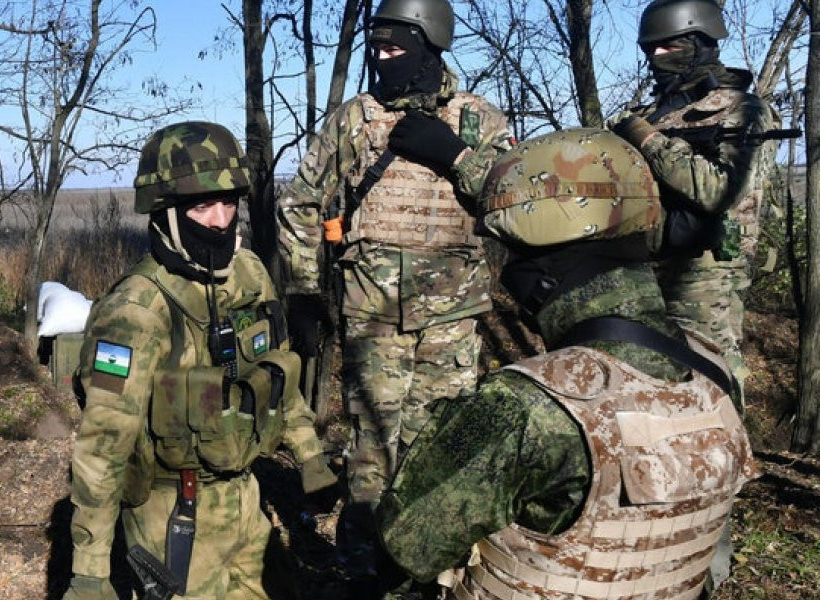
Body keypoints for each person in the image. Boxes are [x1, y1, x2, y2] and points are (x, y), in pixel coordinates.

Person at [377, 128, 759, 599]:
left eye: (509, 254)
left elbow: (405, 548)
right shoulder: (714, 376)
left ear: (538, 270)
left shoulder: (523, 408)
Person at [276, 0, 513, 585]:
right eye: (376, 48)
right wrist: (304, 289)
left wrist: (455, 156)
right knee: (371, 450)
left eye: (396, 47)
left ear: (430, 45)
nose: (383, 58)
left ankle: (432, 572)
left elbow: (514, 204)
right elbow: (299, 203)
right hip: (372, 316)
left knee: (440, 446)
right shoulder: (356, 118)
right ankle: (364, 572)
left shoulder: (478, 120)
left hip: (451, 321)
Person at [64, 121, 337, 600]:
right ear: (166, 212)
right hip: (173, 513)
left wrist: (310, 456)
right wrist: (89, 573)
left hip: (245, 499)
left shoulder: (248, 274)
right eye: (201, 206)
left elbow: (276, 374)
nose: (219, 220)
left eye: (228, 203)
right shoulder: (136, 310)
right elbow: (103, 446)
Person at [608, 0, 779, 405]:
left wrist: (647, 139)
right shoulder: (649, 112)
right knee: (644, 387)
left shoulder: (743, 110)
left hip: (704, 278)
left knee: (708, 383)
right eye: (650, 48)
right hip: (636, 268)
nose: (656, 56)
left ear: (700, 42)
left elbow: (719, 191)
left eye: (668, 46)